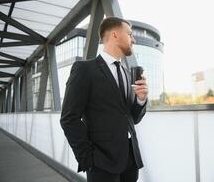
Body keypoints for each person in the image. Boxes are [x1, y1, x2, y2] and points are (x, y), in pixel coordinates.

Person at [60, 16, 148, 182]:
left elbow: (132, 118)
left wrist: (141, 100)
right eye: (130, 34)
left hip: (130, 159)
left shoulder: (127, 73)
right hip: (102, 163)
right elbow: (68, 118)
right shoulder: (84, 69)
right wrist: (88, 159)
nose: (133, 39)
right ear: (114, 35)